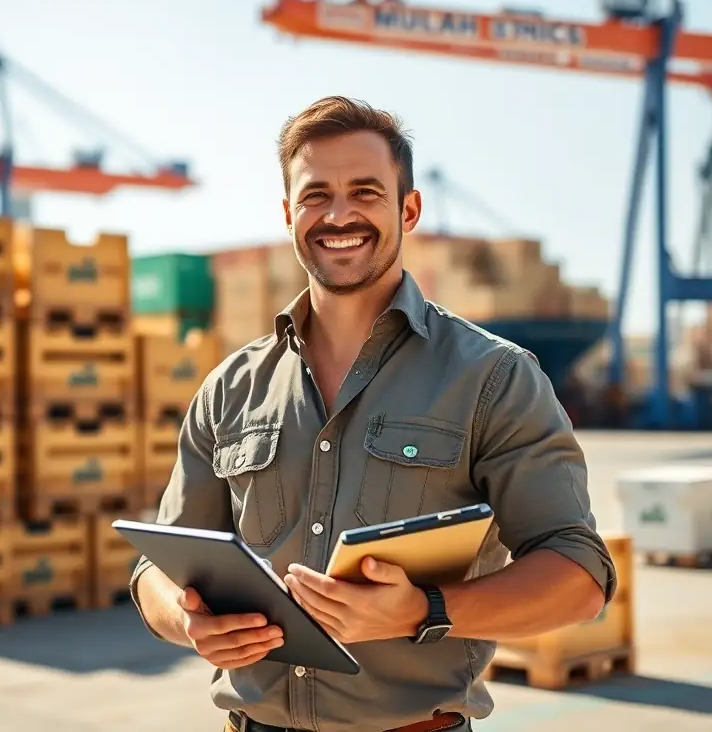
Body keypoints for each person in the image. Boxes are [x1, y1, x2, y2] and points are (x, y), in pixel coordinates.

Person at [129, 96, 616, 732]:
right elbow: (156, 570)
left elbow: (578, 576)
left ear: (407, 209)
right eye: (315, 195)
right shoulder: (231, 388)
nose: (338, 215)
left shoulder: (493, 377)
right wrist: (187, 620)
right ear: (287, 214)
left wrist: (424, 610)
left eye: (365, 191)